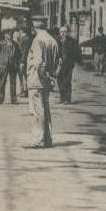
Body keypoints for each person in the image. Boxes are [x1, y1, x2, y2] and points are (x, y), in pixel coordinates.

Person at [25, 18, 59, 148]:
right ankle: (47, 138)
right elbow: (56, 62)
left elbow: (39, 62)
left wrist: (42, 75)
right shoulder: (53, 41)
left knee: (36, 111)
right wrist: (51, 76)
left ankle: (38, 140)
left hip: (36, 79)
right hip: (46, 81)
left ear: (35, 27)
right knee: (45, 110)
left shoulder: (37, 40)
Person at [56, 25, 80, 104]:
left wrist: (72, 59)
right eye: (61, 32)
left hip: (68, 64)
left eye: (64, 32)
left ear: (68, 33)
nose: (62, 34)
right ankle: (62, 98)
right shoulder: (57, 40)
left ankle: (67, 99)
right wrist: (58, 58)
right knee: (59, 80)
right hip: (59, 64)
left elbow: (77, 51)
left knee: (67, 81)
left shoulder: (72, 41)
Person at [0, 32, 20, 105]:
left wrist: (17, 63)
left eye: (11, 34)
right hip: (4, 65)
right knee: (2, 82)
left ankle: (13, 99)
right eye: (8, 34)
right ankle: (0, 98)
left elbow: (19, 54)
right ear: (5, 35)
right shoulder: (1, 43)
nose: (10, 36)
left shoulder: (15, 44)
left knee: (13, 83)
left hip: (13, 65)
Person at [17, 27, 33, 98]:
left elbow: (24, 51)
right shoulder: (28, 38)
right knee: (25, 76)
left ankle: (25, 91)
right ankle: (25, 91)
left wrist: (22, 62)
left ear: (21, 31)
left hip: (24, 61)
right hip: (27, 60)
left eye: (19, 31)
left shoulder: (24, 39)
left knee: (23, 76)